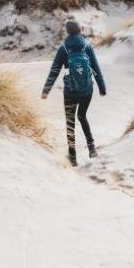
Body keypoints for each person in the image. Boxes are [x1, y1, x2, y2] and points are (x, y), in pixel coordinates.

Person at [41, 19, 106, 166]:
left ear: (68, 31)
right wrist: (102, 87)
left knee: (70, 122)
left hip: (70, 92)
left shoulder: (63, 49)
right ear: (80, 30)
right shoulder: (87, 46)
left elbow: (55, 71)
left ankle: (72, 157)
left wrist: (46, 90)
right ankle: (92, 147)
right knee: (82, 116)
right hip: (87, 91)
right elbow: (96, 68)